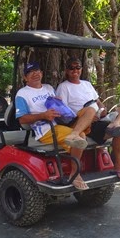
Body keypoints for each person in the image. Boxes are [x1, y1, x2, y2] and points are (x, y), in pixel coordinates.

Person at [15, 61, 96, 190]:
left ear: (41, 73)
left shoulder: (48, 88)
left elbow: (58, 107)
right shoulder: (22, 94)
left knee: (91, 110)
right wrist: (43, 115)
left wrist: (59, 104)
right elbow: (22, 120)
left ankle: (75, 134)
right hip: (45, 129)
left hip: (60, 123)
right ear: (25, 78)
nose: (35, 74)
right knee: (80, 136)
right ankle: (75, 174)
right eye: (30, 72)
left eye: (37, 71)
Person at [55, 57, 120, 182]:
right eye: (71, 68)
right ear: (66, 70)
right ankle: (112, 125)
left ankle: (115, 125)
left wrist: (102, 110)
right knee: (91, 111)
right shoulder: (64, 87)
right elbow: (65, 114)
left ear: (81, 69)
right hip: (82, 121)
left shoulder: (86, 84)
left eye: (78, 67)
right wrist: (88, 116)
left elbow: (99, 102)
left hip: (98, 117)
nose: (75, 70)